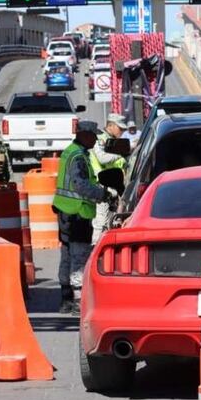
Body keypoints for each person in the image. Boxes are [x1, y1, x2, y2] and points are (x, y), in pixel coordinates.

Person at [52, 120, 115, 315]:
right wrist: (103, 194)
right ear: (84, 135)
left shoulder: (71, 151)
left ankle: (66, 298)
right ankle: (78, 302)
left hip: (66, 212)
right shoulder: (78, 156)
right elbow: (81, 185)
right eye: (93, 135)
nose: (96, 139)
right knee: (79, 257)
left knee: (67, 254)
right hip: (78, 212)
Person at [90, 114, 128, 244]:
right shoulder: (100, 138)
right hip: (101, 184)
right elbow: (102, 158)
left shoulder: (111, 139)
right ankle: (95, 248)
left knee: (109, 220)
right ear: (111, 126)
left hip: (112, 185)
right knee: (101, 221)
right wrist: (121, 153)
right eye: (120, 128)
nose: (122, 132)